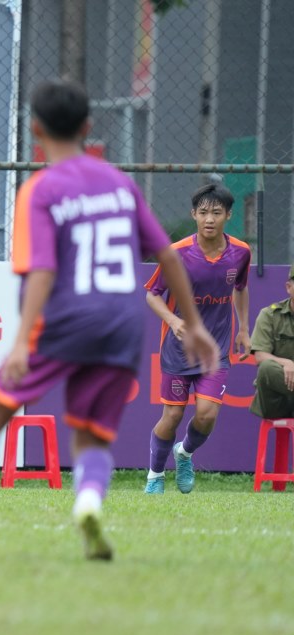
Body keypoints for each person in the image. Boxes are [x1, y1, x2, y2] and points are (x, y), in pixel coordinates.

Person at [0, 79, 220, 560]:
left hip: (69, 317)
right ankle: (88, 501)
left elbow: (43, 270)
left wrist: (25, 340)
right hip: (122, 323)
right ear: (89, 128)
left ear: (35, 129)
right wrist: (193, 324)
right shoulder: (117, 181)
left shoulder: (40, 189)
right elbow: (167, 257)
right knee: (90, 433)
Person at [143, 184, 250, 495]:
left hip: (215, 349)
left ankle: (185, 454)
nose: (209, 219)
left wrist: (243, 328)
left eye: (216, 212)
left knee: (206, 414)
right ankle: (155, 475)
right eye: (203, 212)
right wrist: (174, 320)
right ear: (193, 215)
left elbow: (241, 288)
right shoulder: (176, 253)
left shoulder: (240, 252)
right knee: (172, 415)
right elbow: (152, 295)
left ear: (228, 215)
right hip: (178, 350)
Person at [248, 265, 294, 419]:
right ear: (289, 287)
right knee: (267, 367)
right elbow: (260, 356)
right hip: (276, 401)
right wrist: (287, 363)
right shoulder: (270, 314)